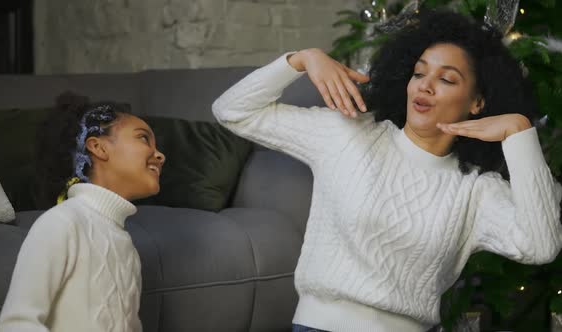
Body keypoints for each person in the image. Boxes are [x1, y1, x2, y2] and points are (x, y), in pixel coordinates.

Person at [212, 10, 562, 332]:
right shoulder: (349, 135)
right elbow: (232, 111)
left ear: (478, 102)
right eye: (419, 72)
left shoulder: (475, 189)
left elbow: (541, 246)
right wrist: (302, 60)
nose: (425, 85)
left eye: (447, 79)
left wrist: (519, 133)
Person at [0, 92, 165, 332]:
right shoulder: (62, 223)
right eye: (143, 138)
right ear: (98, 147)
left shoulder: (126, 245)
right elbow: (17, 324)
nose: (160, 155)